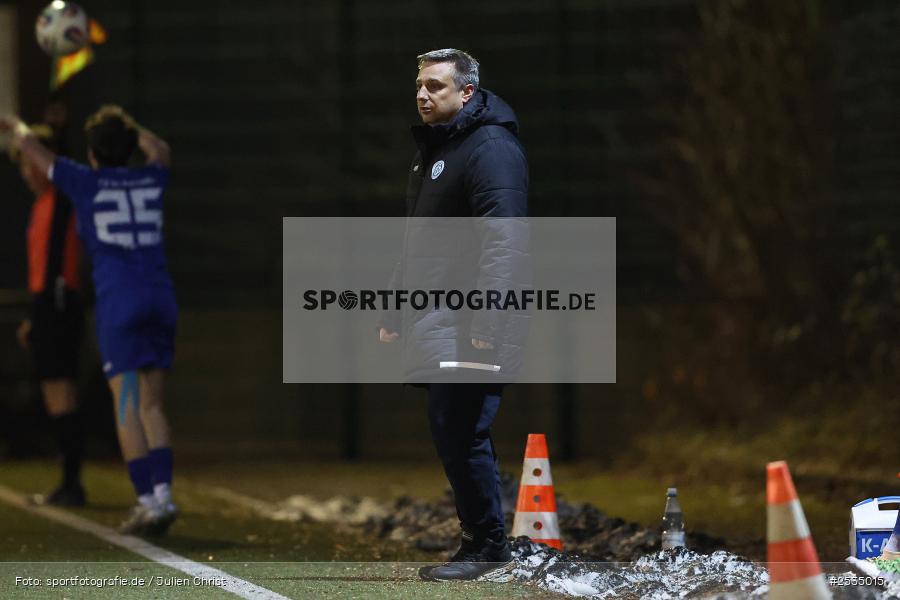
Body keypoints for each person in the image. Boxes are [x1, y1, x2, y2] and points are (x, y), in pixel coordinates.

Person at [379, 48, 529, 580]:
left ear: (467, 93)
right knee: (451, 426)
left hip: (470, 319)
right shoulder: (438, 151)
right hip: (439, 315)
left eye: (436, 86)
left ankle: (487, 548)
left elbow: (505, 243)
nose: (423, 94)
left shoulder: (490, 147)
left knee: (461, 427)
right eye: (419, 85)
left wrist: (489, 322)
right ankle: (481, 541)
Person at [2, 106, 178, 536]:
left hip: (121, 302)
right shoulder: (151, 177)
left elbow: (31, 148)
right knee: (153, 405)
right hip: (160, 297)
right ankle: (164, 497)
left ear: (94, 154)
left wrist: (15, 125)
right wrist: (129, 128)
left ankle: (147, 503)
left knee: (126, 404)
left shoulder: (87, 182)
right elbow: (160, 149)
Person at [9, 124, 87, 506]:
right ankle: (69, 478)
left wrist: (20, 129)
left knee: (61, 390)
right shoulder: (42, 205)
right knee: (54, 390)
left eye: (30, 162)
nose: (27, 171)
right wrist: (32, 316)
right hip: (46, 303)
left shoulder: (63, 198)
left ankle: (72, 482)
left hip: (59, 302)